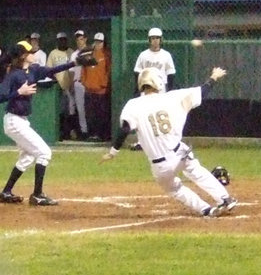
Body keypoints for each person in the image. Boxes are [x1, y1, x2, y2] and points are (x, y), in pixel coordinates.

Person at [100, 66, 237, 218]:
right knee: (196, 171)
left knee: (175, 189)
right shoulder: (173, 97)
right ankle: (225, 199)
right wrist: (213, 77)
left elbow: (125, 129)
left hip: (160, 165)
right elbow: (202, 92)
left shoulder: (133, 105)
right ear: (158, 82)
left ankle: (206, 209)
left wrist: (113, 152)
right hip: (179, 152)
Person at [0, 39, 93, 206]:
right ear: (23, 56)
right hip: (13, 120)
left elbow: (53, 69)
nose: (33, 54)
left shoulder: (33, 70)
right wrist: (19, 91)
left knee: (27, 157)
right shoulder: (14, 75)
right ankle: (37, 194)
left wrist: (74, 62)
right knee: (44, 152)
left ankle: (6, 192)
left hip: (22, 121)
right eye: (30, 52)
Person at [81, 31, 111, 140]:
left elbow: (109, 71)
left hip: (101, 90)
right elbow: (83, 69)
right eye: (96, 41)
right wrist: (84, 82)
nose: (98, 44)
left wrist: (104, 84)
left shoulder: (106, 54)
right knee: (90, 113)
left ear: (104, 43)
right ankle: (92, 134)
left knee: (101, 114)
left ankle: (101, 135)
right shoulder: (88, 54)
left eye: (100, 42)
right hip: (89, 89)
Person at [47, 31, 77, 139]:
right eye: (60, 40)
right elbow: (49, 70)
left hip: (70, 87)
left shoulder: (71, 52)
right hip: (57, 88)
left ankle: (70, 132)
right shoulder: (53, 53)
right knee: (60, 110)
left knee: (70, 111)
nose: (62, 42)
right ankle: (61, 133)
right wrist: (56, 83)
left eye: (64, 40)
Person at [71, 29, 90, 137]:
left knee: (90, 108)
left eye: (81, 39)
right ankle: (84, 131)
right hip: (78, 83)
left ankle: (91, 130)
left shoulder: (90, 52)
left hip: (90, 84)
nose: (79, 41)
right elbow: (71, 72)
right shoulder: (74, 54)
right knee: (80, 108)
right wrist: (71, 85)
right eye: (78, 39)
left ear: (85, 39)